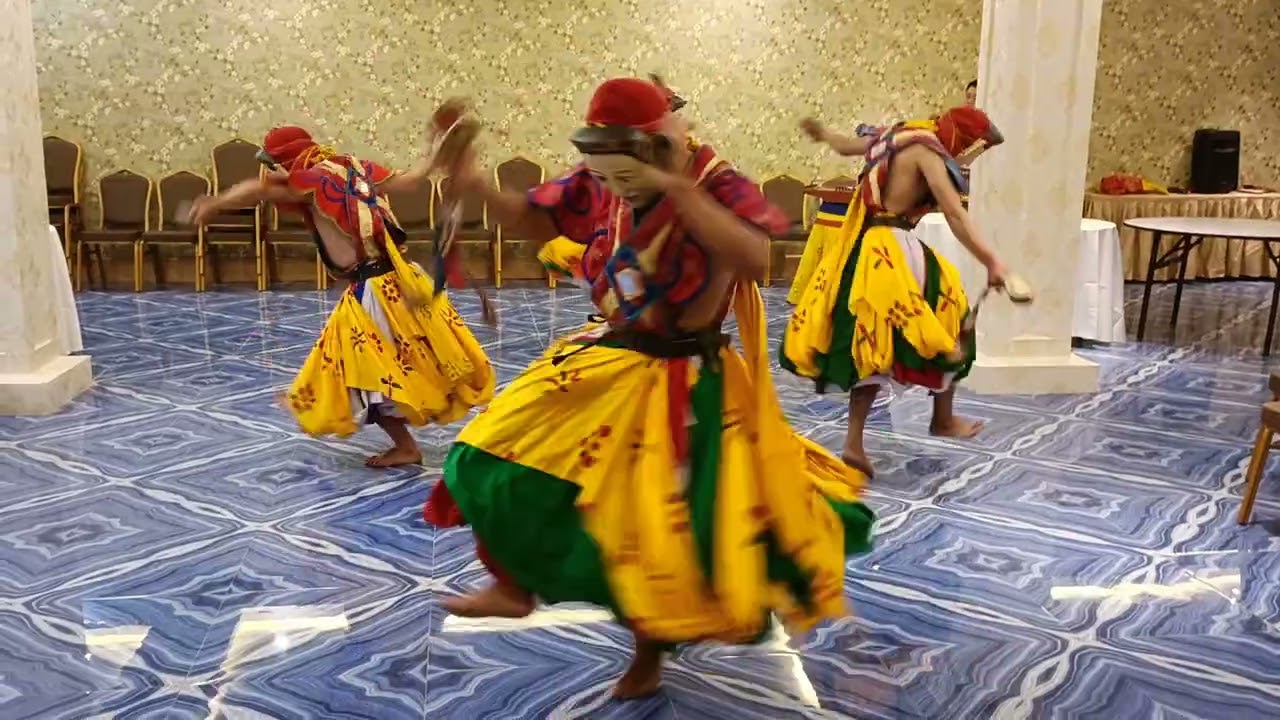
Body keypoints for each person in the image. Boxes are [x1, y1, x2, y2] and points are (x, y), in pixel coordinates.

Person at [423, 77, 874, 699]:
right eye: (602, 167)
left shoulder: (718, 179)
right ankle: (514, 583)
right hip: (614, 354)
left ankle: (648, 651)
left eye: (622, 166)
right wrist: (475, 185)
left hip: (691, 376)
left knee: (662, 529)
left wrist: (677, 190)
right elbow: (536, 217)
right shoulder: (598, 175)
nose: (609, 183)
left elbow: (755, 258)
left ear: (665, 136)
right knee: (488, 448)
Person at [189, 126, 495, 467]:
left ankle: (408, 444)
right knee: (384, 367)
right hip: (396, 280)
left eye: (274, 164)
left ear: (286, 160)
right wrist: (435, 154)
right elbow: (411, 179)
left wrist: (214, 203)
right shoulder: (354, 168)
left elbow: (256, 189)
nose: (273, 172)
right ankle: (431, 438)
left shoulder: (309, 181)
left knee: (365, 376)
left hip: (375, 291)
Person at [781, 108, 1008, 477]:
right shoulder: (927, 151)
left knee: (871, 346)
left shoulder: (892, 138)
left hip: (861, 249)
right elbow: (954, 213)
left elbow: (843, 145)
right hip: (894, 248)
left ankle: (854, 442)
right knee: (951, 313)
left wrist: (821, 132)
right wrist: (992, 261)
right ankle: (943, 418)